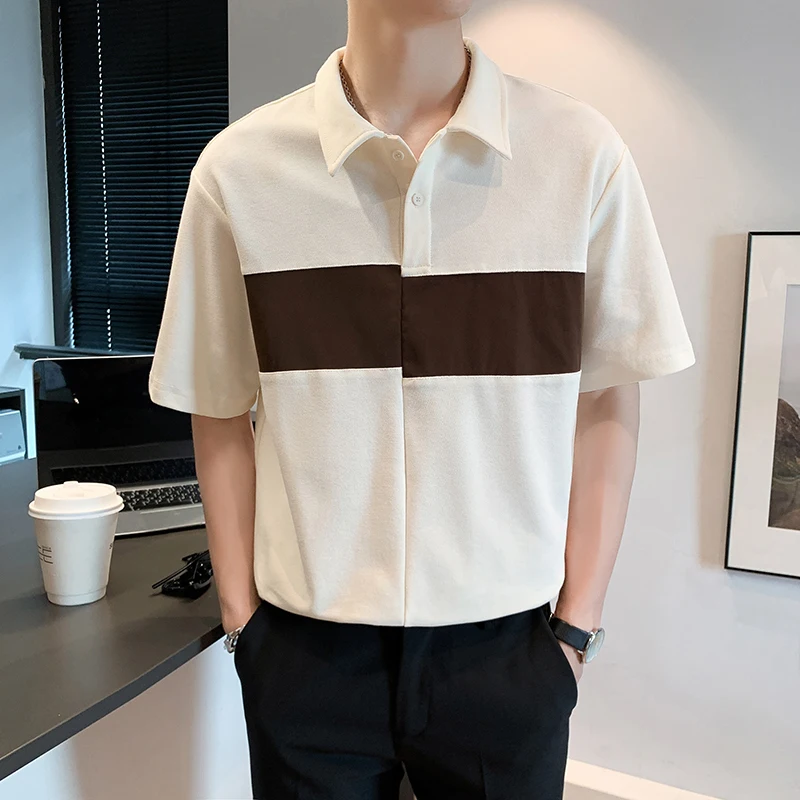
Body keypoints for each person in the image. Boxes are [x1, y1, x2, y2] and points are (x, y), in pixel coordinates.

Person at [148, 0, 696, 797]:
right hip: (304, 658)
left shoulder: (581, 156)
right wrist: (244, 623)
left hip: (507, 658)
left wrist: (576, 629)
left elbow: (608, 394)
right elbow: (218, 403)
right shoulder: (240, 172)